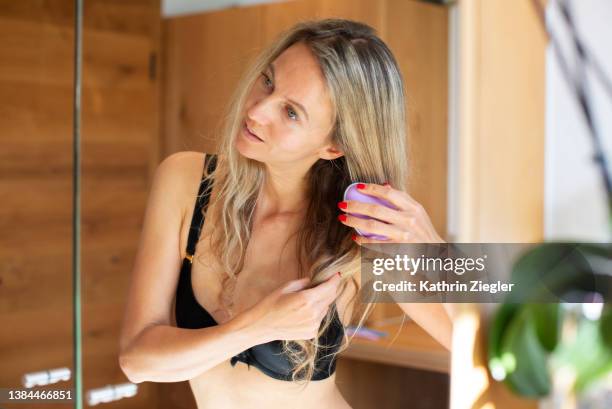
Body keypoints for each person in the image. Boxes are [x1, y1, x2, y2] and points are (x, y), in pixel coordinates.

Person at [118, 18, 452, 409]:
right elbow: (137, 361)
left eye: (291, 113)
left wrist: (433, 250)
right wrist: (258, 326)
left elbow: (482, 344)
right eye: (267, 81)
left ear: (333, 146)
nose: (258, 110)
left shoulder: (360, 229)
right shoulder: (186, 181)